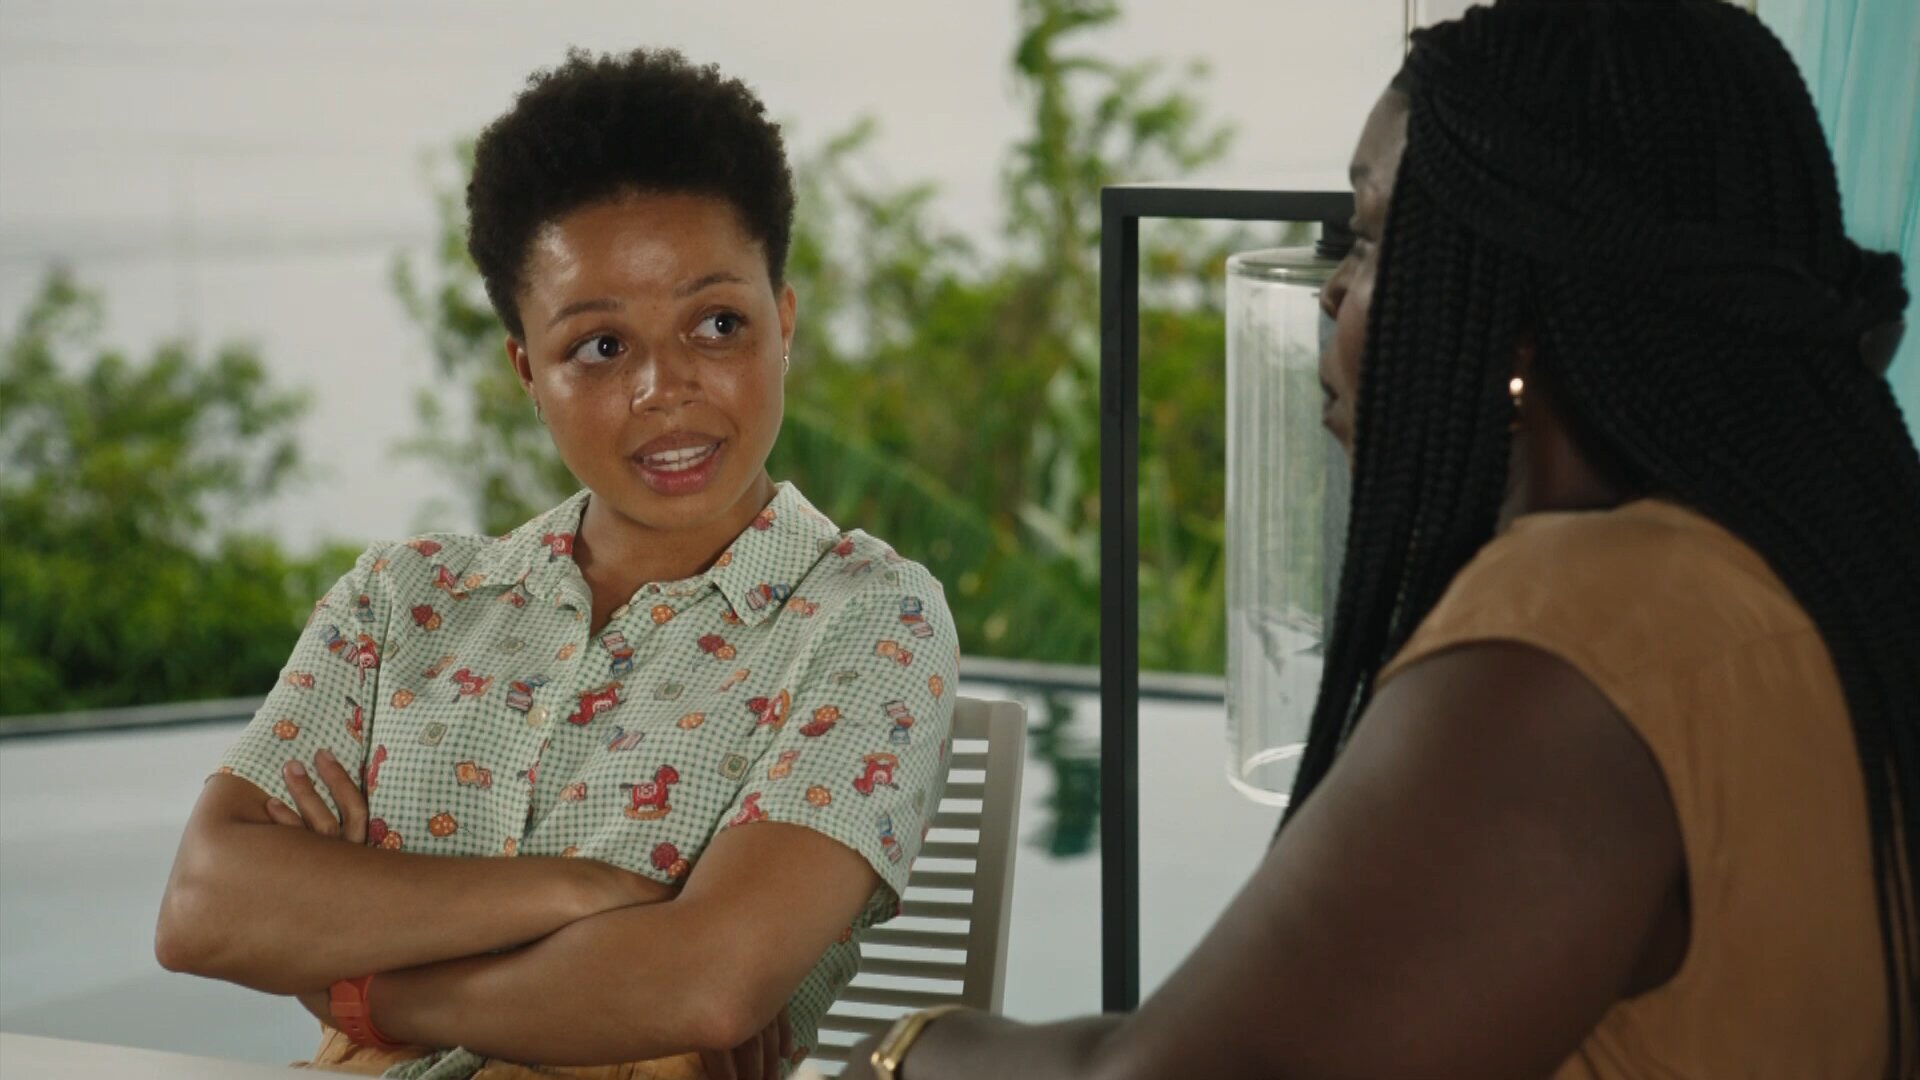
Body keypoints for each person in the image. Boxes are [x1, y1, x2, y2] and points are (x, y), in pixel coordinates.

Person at [844, 2, 1918, 1077]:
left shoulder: (1573, 644)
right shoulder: (1791, 573)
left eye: (1365, 238)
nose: (1331, 294)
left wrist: (906, 1051)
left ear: (1511, 312)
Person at [155, 48, 958, 1080]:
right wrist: (586, 892)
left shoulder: (868, 617)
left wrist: (371, 989)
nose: (666, 387)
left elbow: (705, 986)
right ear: (527, 370)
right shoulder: (400, 603)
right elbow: (204, 908)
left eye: (718, 324)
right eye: (600, 347)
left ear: (784, 322)